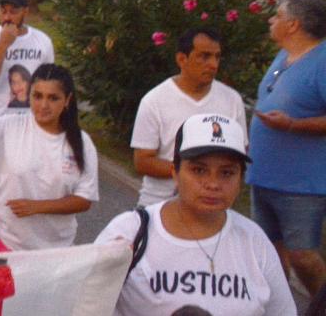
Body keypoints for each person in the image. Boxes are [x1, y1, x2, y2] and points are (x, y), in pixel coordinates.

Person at [96, 114, 295, 316]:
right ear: (175, 172)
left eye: (226, 173)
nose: (213, 184)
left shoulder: (254, 241)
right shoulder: (130, 233)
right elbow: (85, 305)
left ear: (241, 178)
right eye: (199, 170)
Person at [248, 0, 326, 297]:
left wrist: (292, 125)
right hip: (264, 176)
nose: (271, 19)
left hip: (301, 185)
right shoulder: (284, 55)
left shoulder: (321, 62)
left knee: (302, 256)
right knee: (268, 254)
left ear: (293, 24)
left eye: (278, 15)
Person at [0, 64, 98, 251]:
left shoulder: (82, 142)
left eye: (53, 98)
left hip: (56, 249)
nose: (44, 105)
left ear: (67, 100)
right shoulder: (5, 128)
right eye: (37, 96)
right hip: (3, 239)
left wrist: (37, 207)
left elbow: (84, 199)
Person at [131, 28, 247, 207]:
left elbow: (240, 155)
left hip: (212, 208)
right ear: (181, 59)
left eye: (217, 57)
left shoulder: (232, 100)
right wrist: (193, 173)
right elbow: (142, 161)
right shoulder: (155, 100)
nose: (213, 64)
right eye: (204, 56)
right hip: (159, 205)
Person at [0, 0, 54, 121]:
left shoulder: (42, 41)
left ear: (25, 12)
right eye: (3, 11)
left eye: (13, 12)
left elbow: (49, 83)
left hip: (30, 120)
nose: (7, 17)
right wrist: (3, 44)